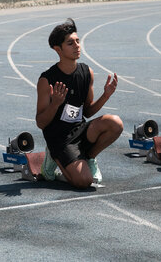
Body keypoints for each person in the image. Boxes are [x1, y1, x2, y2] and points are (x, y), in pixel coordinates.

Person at [35, 18, 123, 189]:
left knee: (115, 123)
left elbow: (88, 111)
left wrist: (105, 96)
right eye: (70, 43)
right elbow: (40, 123)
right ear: (58, 49)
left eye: (77, 41)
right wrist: (55, 104)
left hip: (80, 130)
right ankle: (53, 159)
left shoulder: (86, 72)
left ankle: (88, 158)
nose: (77, 46)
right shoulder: (47, 80)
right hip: (59, 139)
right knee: (83, 182)